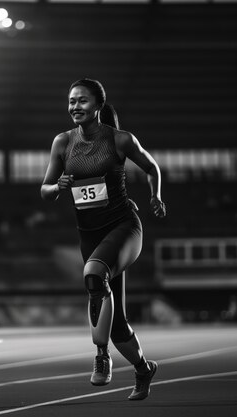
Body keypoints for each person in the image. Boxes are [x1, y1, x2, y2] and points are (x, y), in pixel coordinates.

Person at [40, 78, 166, 401]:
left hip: (124, 228)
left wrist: (156, 195)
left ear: (97, 105)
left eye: (82, 101)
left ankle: (101, 355)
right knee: (118, 323)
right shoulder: (62, 143)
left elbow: (151, 167)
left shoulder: (120, 140)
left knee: (94, 275)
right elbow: (45, 189)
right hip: (90, 235)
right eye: (71, 101)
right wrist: (59, 187)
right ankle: (143, 368)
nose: (75, 107)